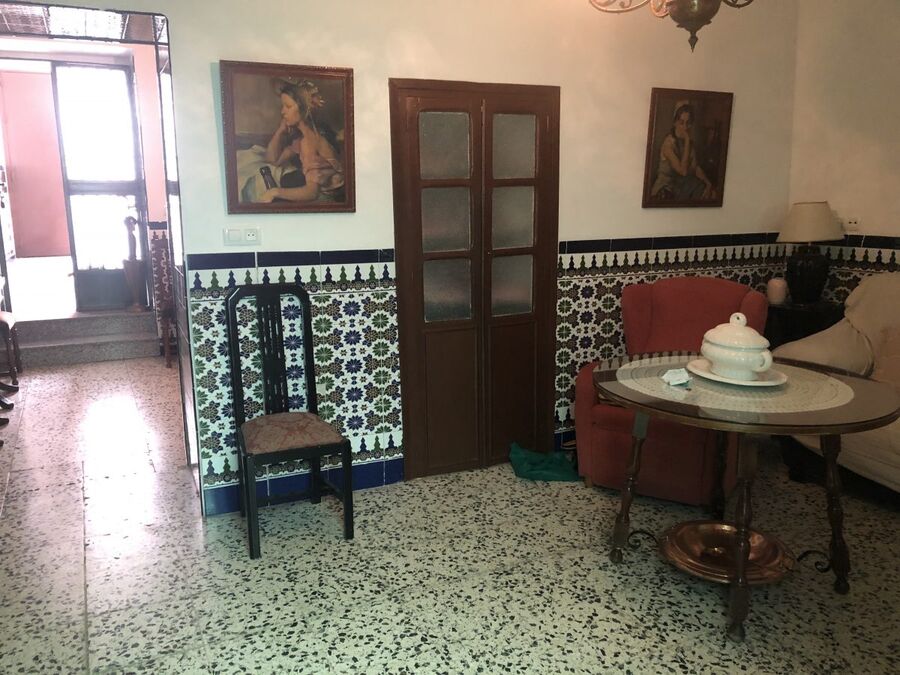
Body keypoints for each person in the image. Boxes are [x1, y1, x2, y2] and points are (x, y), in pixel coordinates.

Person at [257, 79, 345, 203]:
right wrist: (280, 131)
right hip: (322, 194)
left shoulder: (310, 142)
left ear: (304, 110)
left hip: (327, 200)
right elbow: (273, 160)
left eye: (288, 106)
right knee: (285, 179)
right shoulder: (303, 138)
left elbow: (312, 193)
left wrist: (274, 192)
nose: (282, 112)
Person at [650, 100, 714, 201]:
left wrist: (708, 183)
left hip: (680, 187)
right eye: (681, 123)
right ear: (675, 123)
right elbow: (683, 171)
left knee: (710, 193)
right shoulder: (668, 144)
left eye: (688, 123)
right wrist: (687, 140)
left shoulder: (689, 144)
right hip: (665, 189)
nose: (685, 127)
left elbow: (695, 168)